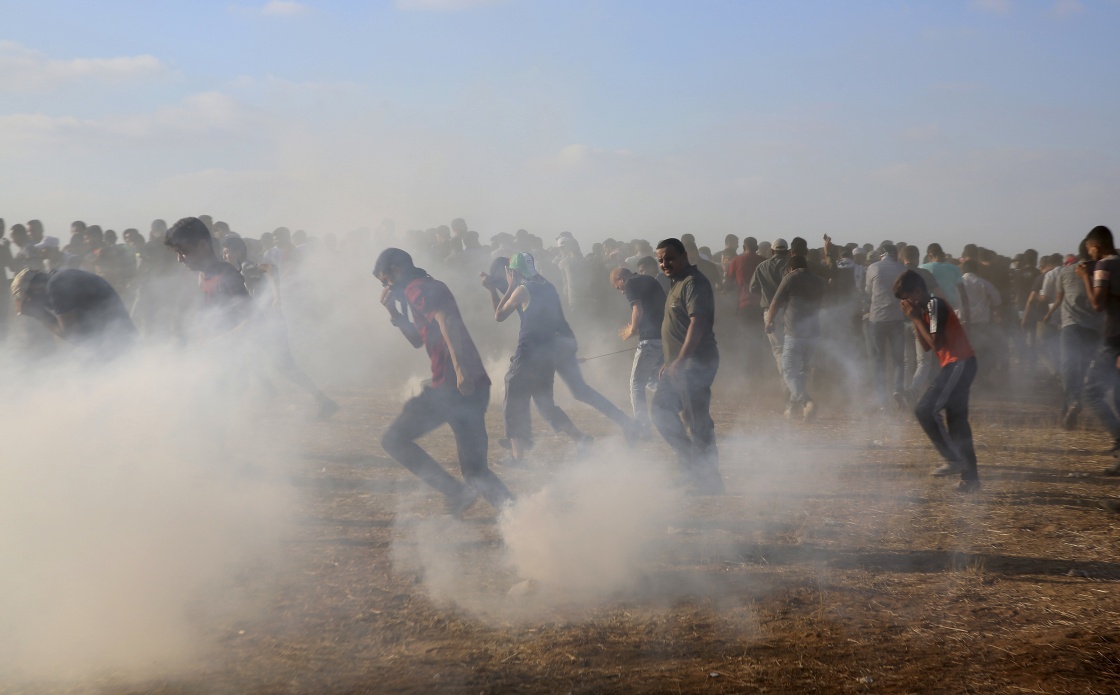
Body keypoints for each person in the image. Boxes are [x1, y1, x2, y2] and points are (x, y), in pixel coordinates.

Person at [374, 247, 513, 515]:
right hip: (468, 387)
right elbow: (417, 340)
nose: (386, 288)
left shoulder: (418, 288)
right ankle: (523, 518)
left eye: (386, 281)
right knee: (475, 472)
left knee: (394, 440)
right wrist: (394, 313)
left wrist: (460, 370)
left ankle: (455, 492)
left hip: (453, 387)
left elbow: (446, 321)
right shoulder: (422, 288)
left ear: (396, 269)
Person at [487, 252, 593, 464]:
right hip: (547, 355)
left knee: (513, 403)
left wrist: (507, 287)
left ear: (514, 271)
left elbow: (499, 315)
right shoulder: (548, 286)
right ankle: (580, 439)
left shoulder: (521, 290)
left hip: (527, 354)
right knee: (545, 405)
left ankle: (517, 457)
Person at [222, 235, 339, 420]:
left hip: (270, 324)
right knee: (250, 359)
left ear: (238, 252)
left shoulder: (246, 266)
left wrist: (277, 295)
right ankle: (267, 393)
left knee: (285, 367)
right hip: (262, 324)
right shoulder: (238, 271)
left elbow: (271, 268)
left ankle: (322, 400)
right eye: (224, 253)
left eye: (227, 252)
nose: (225, 256)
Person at [894, 270, 980, 492]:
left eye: (907, 298)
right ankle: (971, 480)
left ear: (917, 291)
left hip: (959, 363)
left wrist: (915, 318)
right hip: (959, 364)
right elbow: (925, 346)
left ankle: (954, 459)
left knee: (925, 410)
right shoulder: (926, 310)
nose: (907, 303)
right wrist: (915, 319)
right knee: (957, 423)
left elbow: (936, 343)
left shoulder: (934, 304)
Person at [652, 238, 723, 494]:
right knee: (660, 411)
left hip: (696, 363)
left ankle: (709, 481)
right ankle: (693, 467)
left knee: (697, 421)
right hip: (679, 364)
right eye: (660, 260)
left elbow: (698, 322)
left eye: (670, 258)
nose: (664, 264)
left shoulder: (693, 282)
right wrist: (670, 361)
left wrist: (681, 359)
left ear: (684, 256)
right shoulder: (677, 283)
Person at [10, 266, 136, 356]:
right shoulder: (61, 278)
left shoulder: (56, 286)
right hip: (118, 340)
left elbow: (73, 336)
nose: (35, 303)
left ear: (35, 288)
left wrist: (41, 315)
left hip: (116, 344)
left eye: (30, 299)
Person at [1075, 226, 1120, 474]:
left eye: (1090, 249)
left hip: (1114, 338)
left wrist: (1085, 276)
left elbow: (1097, 304)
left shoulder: (1104, 266)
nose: (1089, 254)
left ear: (1096, 246)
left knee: (1091, 392)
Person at [1044, 240, 1103, 429]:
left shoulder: (1065, 272)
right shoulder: (1100, 271)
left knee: (1068, 368)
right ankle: (1069, 412)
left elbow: (1059, 299)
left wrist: (1049, 314)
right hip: (1093, 328)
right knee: (1082, 369)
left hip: (1070, 326)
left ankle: (1072, 404)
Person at [165, 216, 253, 339]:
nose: (179, 259)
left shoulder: (226, 275)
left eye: (183, 252)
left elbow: (253, 320)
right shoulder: (203, 277)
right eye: (177, 253)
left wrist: (214, 344)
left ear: (202, 246)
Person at [765, 255, 827, 420]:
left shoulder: (790, 277)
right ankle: (792, 408)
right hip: (814, 332)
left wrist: (769, 321)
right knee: (802, 371)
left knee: (788, 371)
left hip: (795, 333)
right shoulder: (819, 281)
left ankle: (807, 402)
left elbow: (775, 303)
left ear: (790, 268)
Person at [610, 267, 666, 437]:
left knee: (636, 383)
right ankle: (673, 397)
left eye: (618, 287)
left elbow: (637, 309)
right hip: (664, 337)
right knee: (651, 378)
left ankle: (642, 427)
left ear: (620, 278)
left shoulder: (631, 283)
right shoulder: (649, 279)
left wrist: (632, 330)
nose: (621, 292)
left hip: (650, 340)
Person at [865, 242, 908, 409]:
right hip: (896, 318)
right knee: (898, 359)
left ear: (881, 254)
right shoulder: (902, 269)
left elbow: (869, 291)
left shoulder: (873, 268)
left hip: (876, 319)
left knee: (879, 360)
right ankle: (897, 390)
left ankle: (882, 400)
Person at [750, 238, 791, 382]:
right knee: (793, 347)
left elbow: (753, 288)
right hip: (791, 311)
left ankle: (787, 383)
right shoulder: (791, 266)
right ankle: (794, 382)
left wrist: (766, 294)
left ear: (772, 251)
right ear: (787, 251)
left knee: (779, 350)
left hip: (770, 312)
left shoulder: (762, 266)